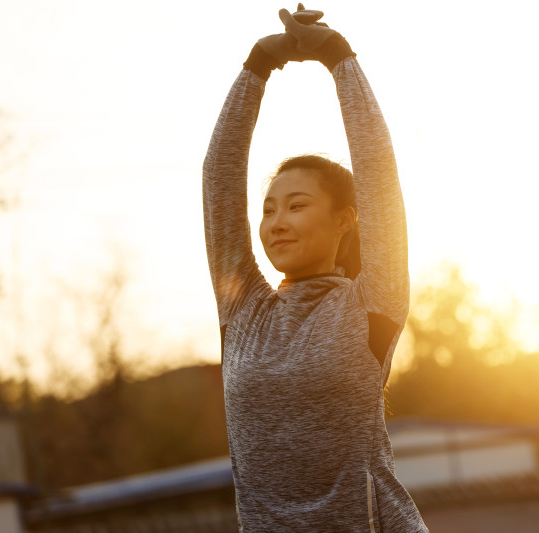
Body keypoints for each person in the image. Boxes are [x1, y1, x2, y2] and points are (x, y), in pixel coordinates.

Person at [202, 5, 430, 532]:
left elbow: (376, 173)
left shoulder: (371, 304)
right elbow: (220, 175)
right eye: (269, 208)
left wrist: (337, 57)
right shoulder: (243, 311)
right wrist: (258, 66)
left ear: (347, 221)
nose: (277, 222)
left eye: (297, 205)